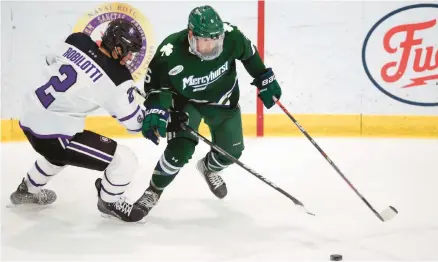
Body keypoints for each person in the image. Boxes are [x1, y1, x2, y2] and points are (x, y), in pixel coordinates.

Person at [134, 5, 282, 216]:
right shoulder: (170, 51)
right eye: (205, 40)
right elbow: (157, 88)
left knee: (232, 153)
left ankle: (209, 168)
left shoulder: (232, 36)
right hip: (187, 103)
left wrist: (264, 78)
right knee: (179, 150)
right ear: (191, 35)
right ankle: (153, 190)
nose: (211, 45)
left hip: (223, 100)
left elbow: (248, 55)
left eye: (215, 39)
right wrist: (158, 109)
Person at [10, 18, 147, 223]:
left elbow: (51, 61)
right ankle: (109, 202)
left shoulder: (77, 40)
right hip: (53, 135)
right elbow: (135, 125)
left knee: (59, 154)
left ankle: (27, 190)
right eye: (127, 51)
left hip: (29, 115)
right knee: (125, 160)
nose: (129, 57)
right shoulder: (118, 78)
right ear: (116, 46)